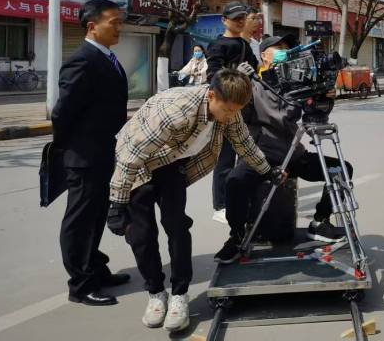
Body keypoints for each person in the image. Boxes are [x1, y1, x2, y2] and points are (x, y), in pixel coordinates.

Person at [106, 69, 284, 332]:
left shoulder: (229, 111)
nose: (231, 116)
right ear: (212, 95)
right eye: (227, 110)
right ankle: (156, 293)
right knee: (142, 234)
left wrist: (268, 171)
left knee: (177, 226)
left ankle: (179, 295)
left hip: (171, 163)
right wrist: (117, 203)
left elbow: (244, 143)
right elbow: (132, 155)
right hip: (137, 165)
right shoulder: (176, 112)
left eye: (237, 110)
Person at [214, 35, 354, 264]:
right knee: (235, 182)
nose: (283, 52)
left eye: (287, 49)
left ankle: (320, 221)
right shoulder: (251, 82)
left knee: (340, 169)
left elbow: (315, 116)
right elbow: (240, 117)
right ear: (263, 55)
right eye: (277, 48)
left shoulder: (297, 81)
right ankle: (236, 235)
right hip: (261, 154)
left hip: (292, 153)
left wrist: (325, 97)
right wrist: (239, 84)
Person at [51, 0, 130, 307]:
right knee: (80, 220)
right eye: (114, 22)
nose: (119, 28)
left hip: (103, 152)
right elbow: (62, 113)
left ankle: (95, 268)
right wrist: (73, 148)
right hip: (84, 156)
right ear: (92, 25)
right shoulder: (82, 60)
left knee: (96, 216)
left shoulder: (107, 57)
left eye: (121, 22)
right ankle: (81, 285)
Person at [206, 1, 260, 224]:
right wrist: (233, 73)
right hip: (226, 109)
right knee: (225, 159)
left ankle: (238, 200)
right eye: (235, 18)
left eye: (242, 18)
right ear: (224, 20)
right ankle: (220, 205)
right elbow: (212, 76)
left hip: (245, 107)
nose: (239, 22)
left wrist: (250, 71)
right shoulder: (218, 45)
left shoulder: (245, 45)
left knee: (244, 157)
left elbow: (255, 69)